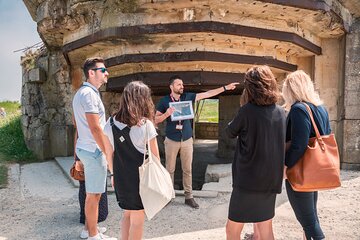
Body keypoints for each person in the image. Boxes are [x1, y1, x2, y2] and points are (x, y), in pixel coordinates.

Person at [155, 75, 238, 209]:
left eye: (182, 84)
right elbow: (155, 119)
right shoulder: (164, 101)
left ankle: (189, 197)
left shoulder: (188, 97)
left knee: (187, 169)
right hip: (171, 139)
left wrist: (225, 88)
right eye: (179, 85)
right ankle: (168, 196)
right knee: (169, 169)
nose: (182, 86)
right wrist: (166, 114)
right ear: (171, 87)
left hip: (187, 139)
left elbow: (208, 94)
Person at [225, 66, 286, 240]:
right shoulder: (281, 112)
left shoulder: (246, 111)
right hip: (271, 179)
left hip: (248, 180)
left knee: (232, 230)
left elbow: (229, 133)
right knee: (266, 228)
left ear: (250, 87)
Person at [103, 81, 159, 240]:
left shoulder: (110, 123)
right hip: (138, 180)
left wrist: (113, 175)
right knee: (137, 220)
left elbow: (109, 154)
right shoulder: (146, 125)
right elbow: (155, 156)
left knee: (127, 214)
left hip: (120, 177)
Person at [282, 70, 330, 240]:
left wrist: (286, 166)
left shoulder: (298, 109)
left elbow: (299, 145)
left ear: (291, 89)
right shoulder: (320, 108)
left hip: (300, 171)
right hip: (313, 168)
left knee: (308, 222)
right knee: (311, 217)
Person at [72, 57, 116, 240]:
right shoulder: (89, 95)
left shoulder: (82, 92)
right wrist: (107, 151)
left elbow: (76, 123)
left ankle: (89, 229)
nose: (107, 73)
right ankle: (93, 235)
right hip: (93, 150)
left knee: (92, 192)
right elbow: (95, 128)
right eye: (103, 70)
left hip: (85, 147)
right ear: (91, 73)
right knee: (94, 194)